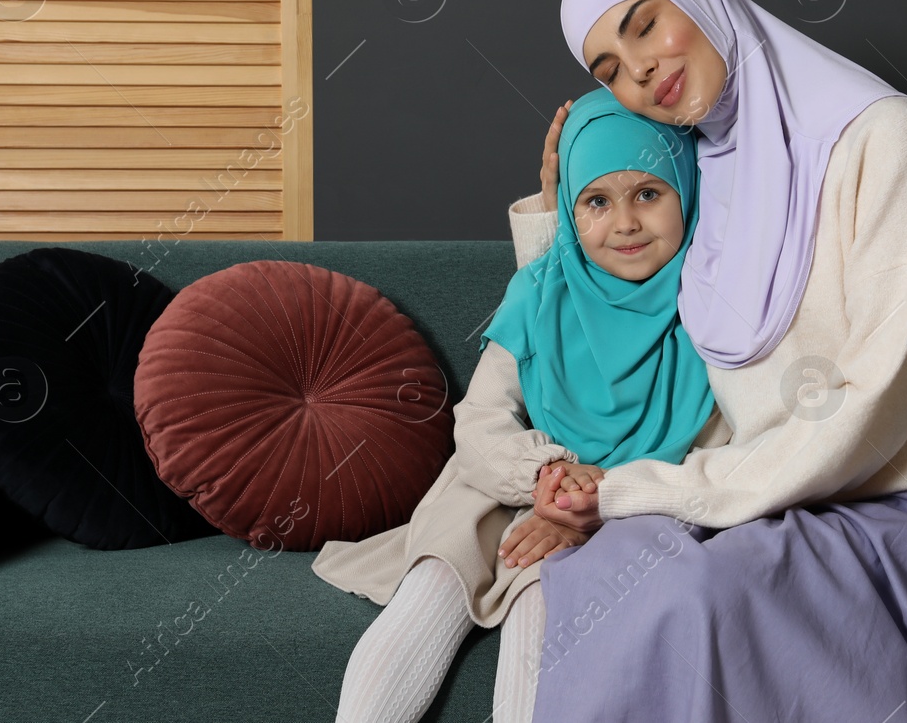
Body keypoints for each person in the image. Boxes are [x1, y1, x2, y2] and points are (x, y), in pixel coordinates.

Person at [505, 0, 907, 721]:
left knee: (698, 592)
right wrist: (556, 214)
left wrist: (645, 489)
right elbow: (614, 314)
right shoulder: (696, 168)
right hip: (758, 494)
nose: (642, 73)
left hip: (902, 498)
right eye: (609, 72)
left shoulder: (884, 138)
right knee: (611, 564)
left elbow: (873, 405)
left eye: (644, 24)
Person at [309, 86, 729, 723]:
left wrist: (592, 500)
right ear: (569, 207)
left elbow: (721, 453)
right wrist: (546, 476)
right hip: (507, 483)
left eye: (649, 193)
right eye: (595, 201)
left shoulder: (717, 311)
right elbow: (480, 417)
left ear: (686, 192)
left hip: (627, 507)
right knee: (437, 580)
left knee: (545, 593)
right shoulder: (542, 288)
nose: (625, 223)